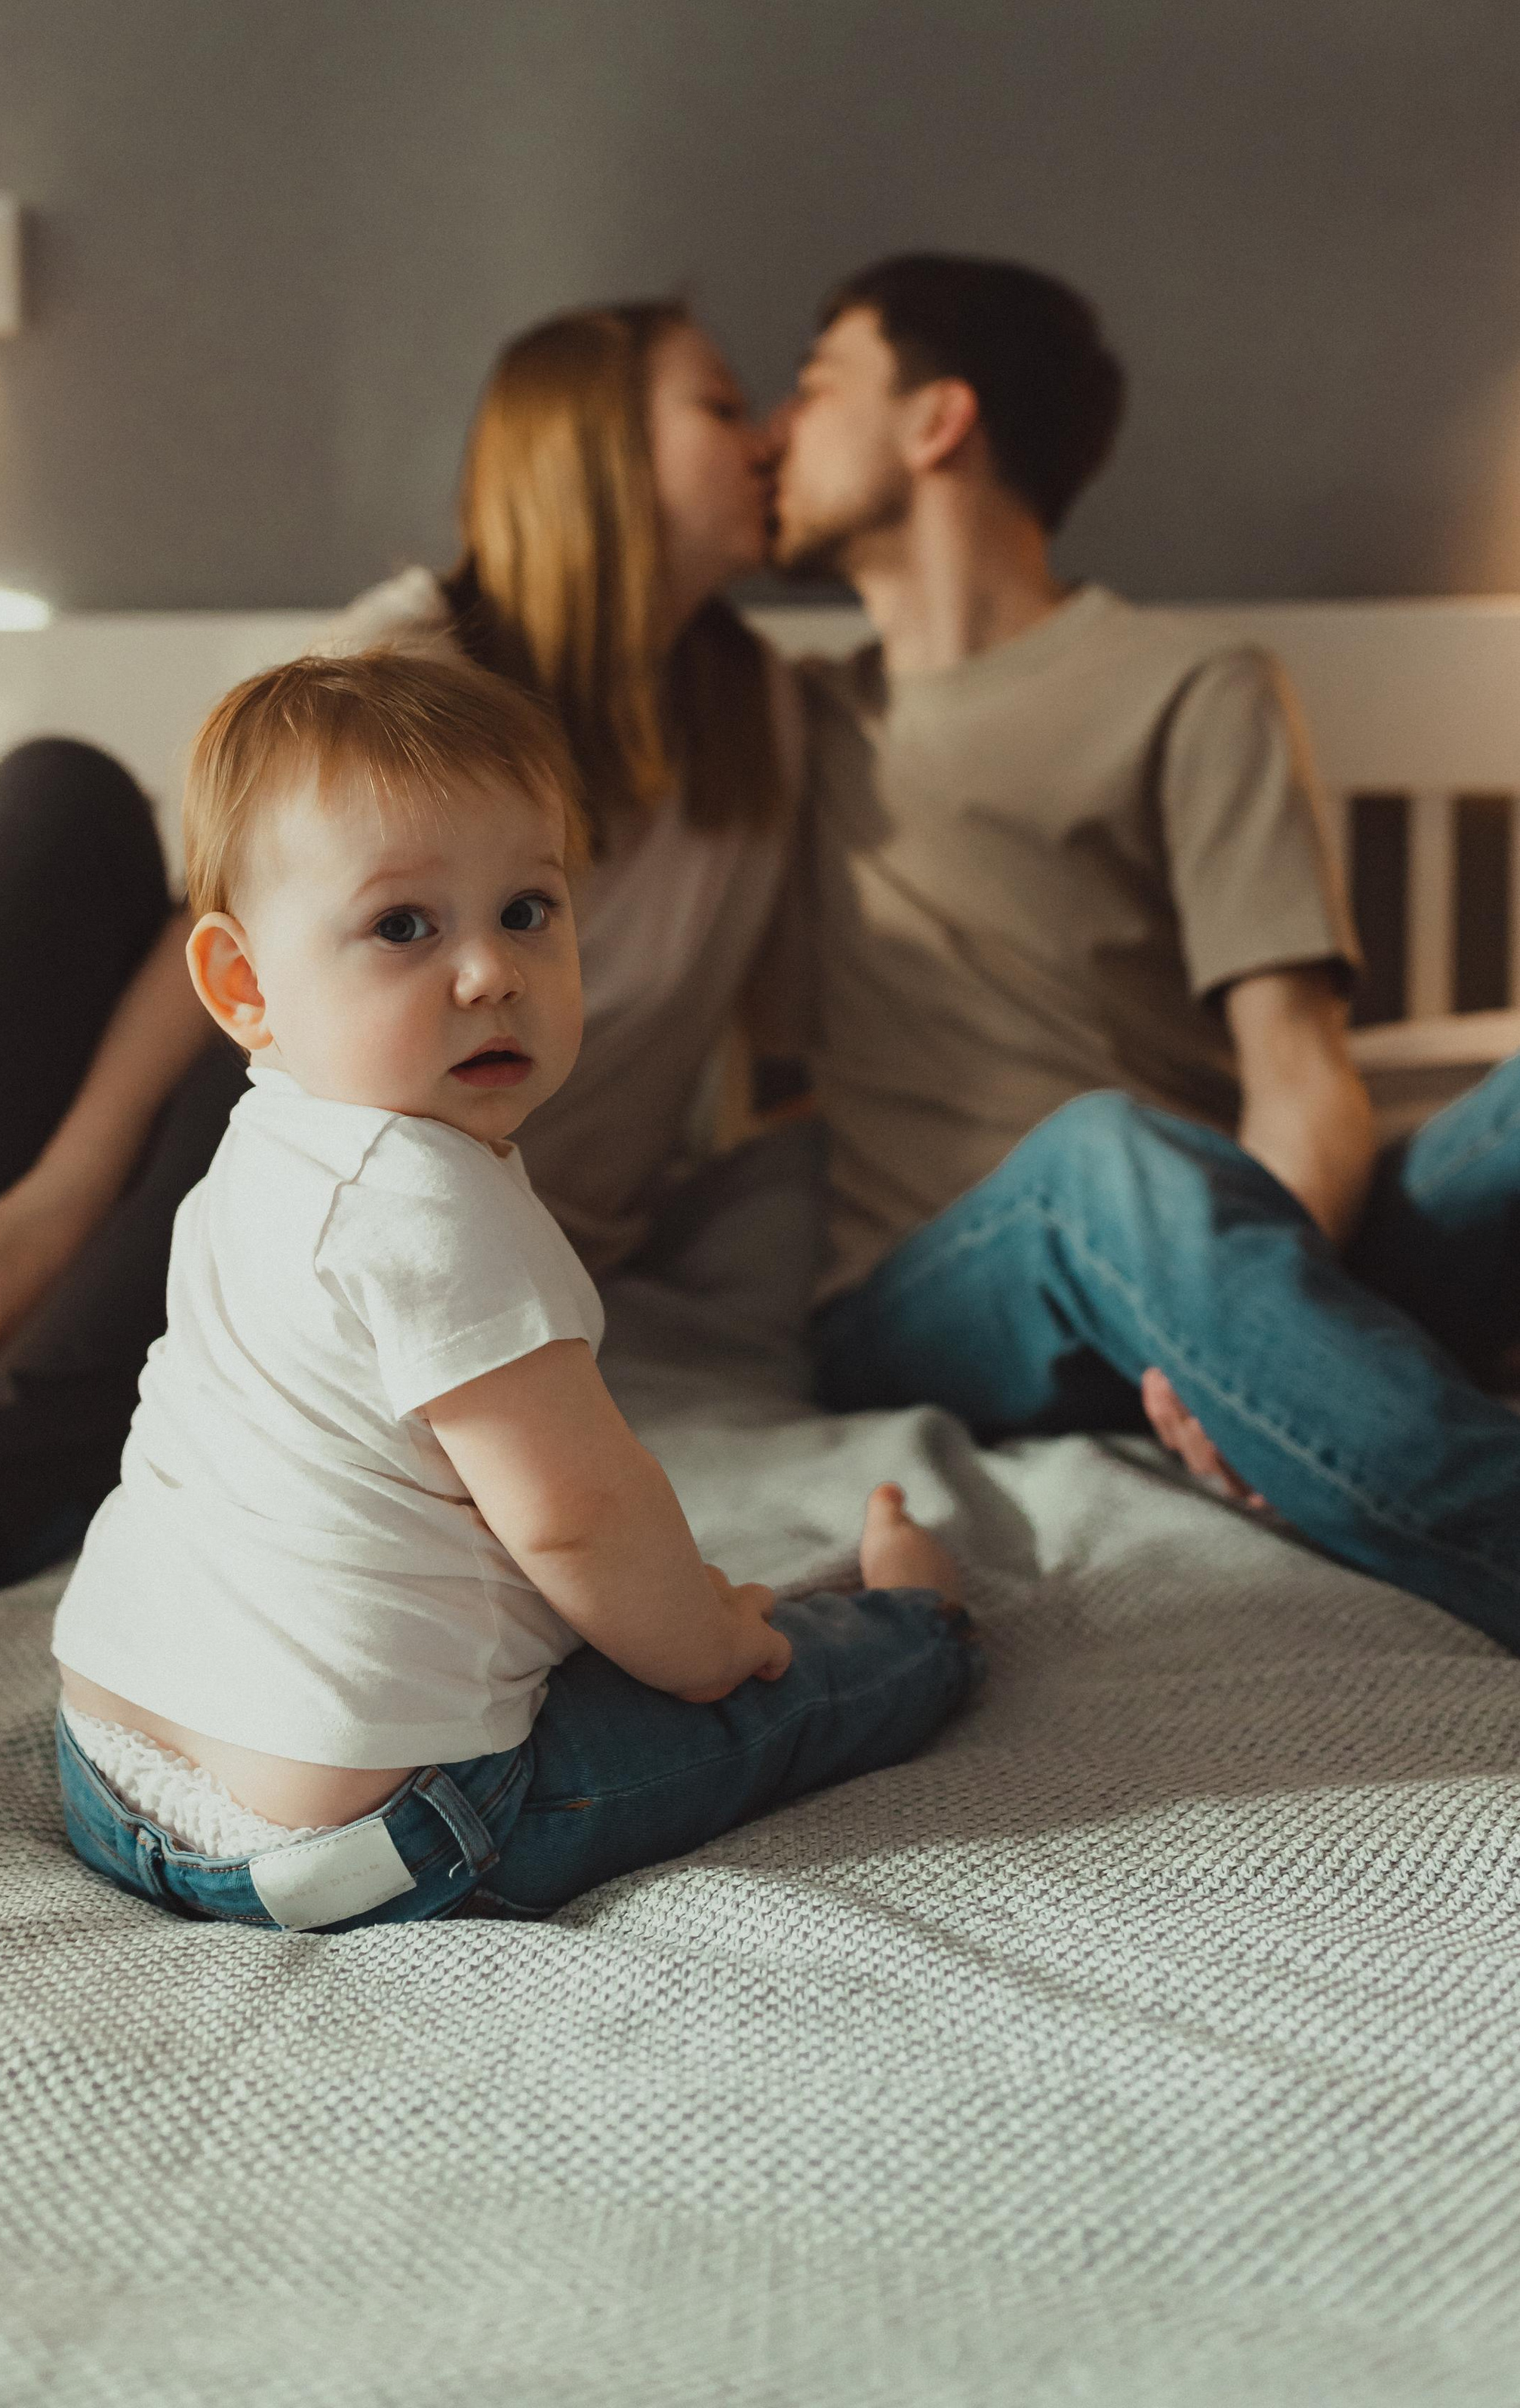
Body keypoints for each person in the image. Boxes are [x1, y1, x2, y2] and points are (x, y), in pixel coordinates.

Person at [0, 300, 800, 1618]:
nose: (766, 439)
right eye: (719, 407)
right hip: (200, 1182)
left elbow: (783, 1042)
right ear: (598, 452)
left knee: (351, 1050)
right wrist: (55, 1199)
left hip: (410, 1242)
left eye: (529, 912)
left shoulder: (763, 720)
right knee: (78, 811)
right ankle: (5, 1365)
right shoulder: (396, 667)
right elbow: (232, 978)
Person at [52, 645, 976, 1929]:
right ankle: (920, 1621)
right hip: (381, 1831)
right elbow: (579, 1521)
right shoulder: (436, 1202)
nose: (490, 973)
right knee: (775, 1692)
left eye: (528, 912)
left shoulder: (258, 1156)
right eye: (404, 926)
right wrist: (715, 1646)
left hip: (110, 1768)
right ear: (244, 986)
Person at [771, 249, 1520, 1652]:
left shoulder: (1192, 687)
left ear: (938, 421)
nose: (773, 434)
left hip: (1225, 1249)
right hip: (952, 1292)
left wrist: (1234, 1332)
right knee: (1100, 1158)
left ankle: (1310, 1370)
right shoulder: (785, 720)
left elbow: (1299, 1077)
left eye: (814, 388)